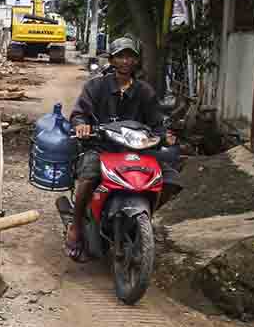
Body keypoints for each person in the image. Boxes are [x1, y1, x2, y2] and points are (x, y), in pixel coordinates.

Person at [66, 36, 180, 261]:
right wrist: (81, 126)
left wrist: (164, 136)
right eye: (120, 56)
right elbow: (79, 113)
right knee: (88, 176)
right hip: (102, 147)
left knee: (171, 180)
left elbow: (157, 122)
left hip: (136, 151)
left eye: (130, 56)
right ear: (112, 59)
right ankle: (76, 225)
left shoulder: (144, 91)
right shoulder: (96, 86)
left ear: (136, 61)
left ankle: (143, 220)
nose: (126, 61)